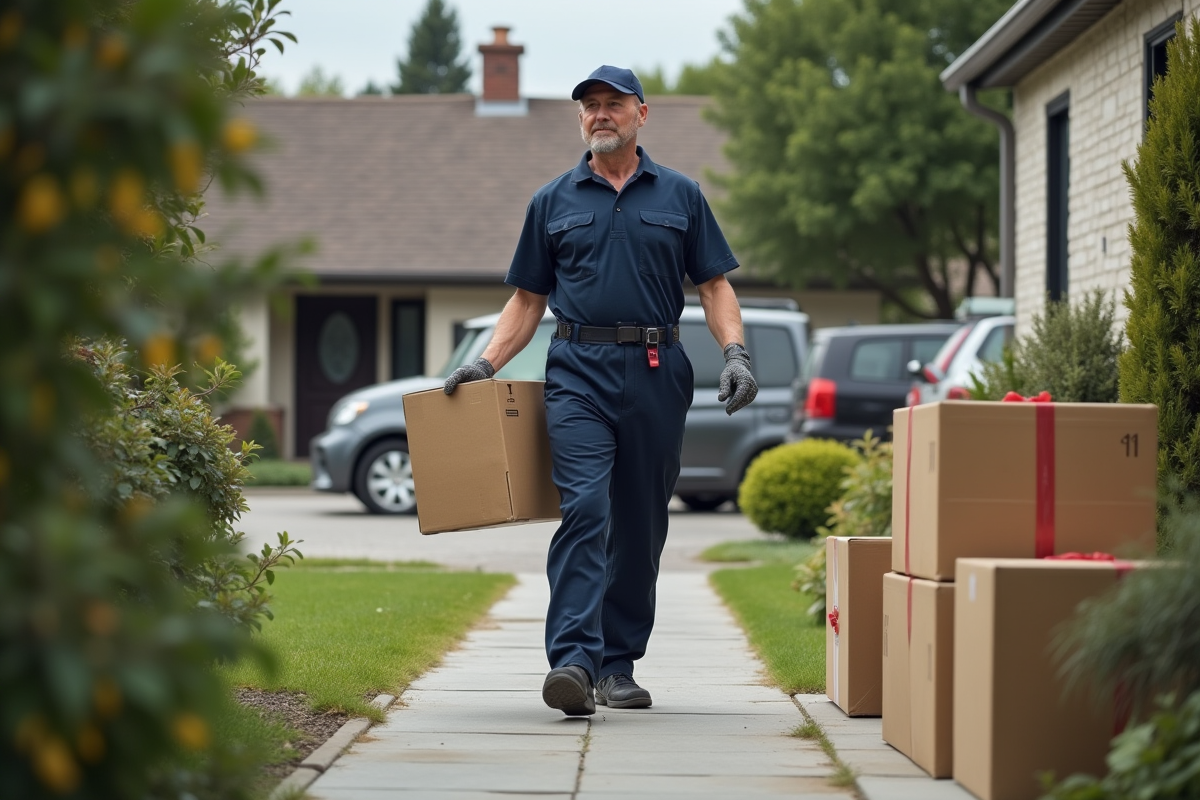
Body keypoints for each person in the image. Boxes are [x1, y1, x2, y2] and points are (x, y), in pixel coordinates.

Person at [444, 65, 757, 716]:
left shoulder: (680, 196)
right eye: (589, 106)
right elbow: (528, 300)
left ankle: (619, 664)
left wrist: (735, 353)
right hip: (577, 371)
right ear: (580, 119)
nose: (599, 114)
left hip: (656, 368)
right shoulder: (552, 201)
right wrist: (485, 365)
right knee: (585, 508)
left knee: (639, 524)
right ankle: (575, 663)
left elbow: (715, 285)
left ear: (643, 113)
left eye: (613, 104)